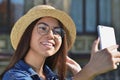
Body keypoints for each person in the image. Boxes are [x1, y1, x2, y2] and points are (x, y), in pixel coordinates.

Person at [0, 4, 120, 80]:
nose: (51, 35)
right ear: (27, 34)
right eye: (42, 28)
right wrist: (89, 71)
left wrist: (81, 73)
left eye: (57, 31)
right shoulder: (14, 76)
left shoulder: (52, 77)